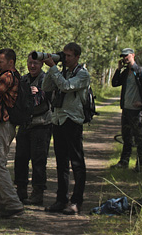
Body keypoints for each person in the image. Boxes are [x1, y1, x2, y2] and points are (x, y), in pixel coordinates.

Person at [41, 42, 90, 215]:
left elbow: (66, 86)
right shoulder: (61, 72)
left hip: (72, 120)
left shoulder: (82, 74)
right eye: (64, 55)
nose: (66, 58)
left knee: (76, 162)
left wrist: (53, 68)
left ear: (77, 57)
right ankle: (61, 200)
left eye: (69, 56)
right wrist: (50, 68)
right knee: (61, 162)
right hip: (58, 120)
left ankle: (77, 201)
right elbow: (46, 88)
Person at [0, 48, 25, 219]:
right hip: (4, 125)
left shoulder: (7, 76)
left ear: (11, 62)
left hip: (3, 124)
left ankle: (13, 204)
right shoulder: (15, 76)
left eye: (1, 62)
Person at [14, 53, 52, 206]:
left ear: (41, 64)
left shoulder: (46, 79)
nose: (32, 66)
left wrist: (37, 93)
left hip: (41, 124)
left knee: (38, 159)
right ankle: (20, 191)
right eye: (30, 63)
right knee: (20, 159)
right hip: (25, 123)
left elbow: (44, 99)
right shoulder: (23, 79)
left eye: (35, 63)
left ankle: (38, 192)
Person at [111, 48, 142, 172]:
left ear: (133, 55)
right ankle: (124, 162)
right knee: (127, 137)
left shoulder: (141, 71)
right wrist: (118, 69)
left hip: (136, 111)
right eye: (123, 56)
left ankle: (141, 164)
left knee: (139, 138)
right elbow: (115, 83)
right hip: (126, 109)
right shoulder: (126, 72)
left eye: (126, 56)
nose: (125, 58)